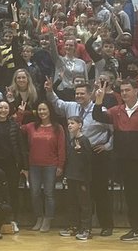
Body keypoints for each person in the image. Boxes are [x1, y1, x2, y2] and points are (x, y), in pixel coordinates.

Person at [92, 80, 138, 246]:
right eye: (122, 90)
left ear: (135, 91)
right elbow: (97, 116)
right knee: (130, 197)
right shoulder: (117, 110)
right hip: (124, 162)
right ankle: (136, 229)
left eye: (128, 90)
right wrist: (99, 100)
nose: (124, 93)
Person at [46, 79, 115, 237]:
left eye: (82, 93)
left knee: (100, 192)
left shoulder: (101, 110)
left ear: (90, 94)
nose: (79, 96)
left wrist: (108, 145)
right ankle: (78, 226)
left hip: (96, 155)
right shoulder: (71, 106)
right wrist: (50, 90)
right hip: (76, 157)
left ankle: (106, 225)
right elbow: (56, 102)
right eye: (77, 93)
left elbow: (114, 129)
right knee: (77, 195)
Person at [21, 101, 64, 232]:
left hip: (51, 165)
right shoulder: (31, 126)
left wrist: (60, 166)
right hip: (34, 165)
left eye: (44, 109)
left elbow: (62, 148)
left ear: (50, 110)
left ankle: (48, 219)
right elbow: (16, 126)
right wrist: (21, 113)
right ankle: (39, 217)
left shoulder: (58, 128)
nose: (42, 112)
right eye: (39, 110)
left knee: (49, 193)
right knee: (34, 193)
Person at [58, 117, 93, 240]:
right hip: (71, 177)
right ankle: (74, 226)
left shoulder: (84, 140)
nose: (69, 126)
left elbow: (89, 160)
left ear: (80, 125)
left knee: (85, 205)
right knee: (72, 203)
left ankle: (86, 229)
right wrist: (66, 176)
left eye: (72, 123)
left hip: (82, 178)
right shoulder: (72, 140)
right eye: (68, 124)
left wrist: (81, 152)